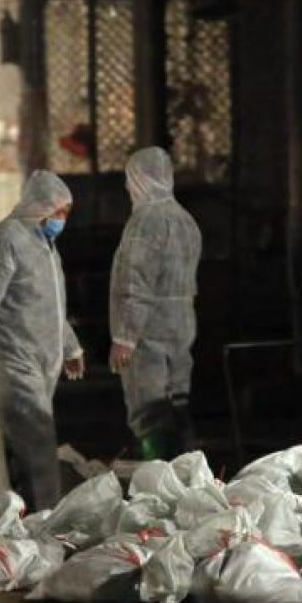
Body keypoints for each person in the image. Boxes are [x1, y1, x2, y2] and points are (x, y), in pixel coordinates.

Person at [0, 169, 85, 511]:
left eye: (65, 213)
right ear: (39, 205)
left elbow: (51, 305)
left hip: (40, 361)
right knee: (39, 444)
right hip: (12, 360)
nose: (61, 219)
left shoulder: (46, 247)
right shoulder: (6, 239)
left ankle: (16, 516)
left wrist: (70, 346)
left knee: (18, 447)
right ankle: (46, 520)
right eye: (58, 211)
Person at [108, 147, 202, 460]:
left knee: (148, 408)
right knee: (177, 400)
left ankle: (160, 475)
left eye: (129, 179)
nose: (126, 187)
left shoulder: (145, 222)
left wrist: (125, 337)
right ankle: (186, 471)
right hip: (181, 325)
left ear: (142, 180)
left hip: (149, 331)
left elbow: (136, 283)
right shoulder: (185, 219)